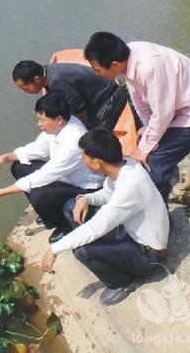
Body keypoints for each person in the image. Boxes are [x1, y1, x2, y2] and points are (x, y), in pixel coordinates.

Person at [83, 32, 190, 201]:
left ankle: (158, 217)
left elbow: (163, 113)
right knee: (145, 141)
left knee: (157, 160)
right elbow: (140, 100)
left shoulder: (150, 66)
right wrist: (148, 129)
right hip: (180, 104)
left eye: (97, 70)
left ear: (114, 64)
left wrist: (145, 148)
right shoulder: (129, 55)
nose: (96, 73)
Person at [40, 129, 169, 305]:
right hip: (131, 231)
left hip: (149, 255)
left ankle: (121, 282)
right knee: (72, 206)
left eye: (84, 157)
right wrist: (85, 198)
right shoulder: (125, 165)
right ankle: (104, 255)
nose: (83, 161)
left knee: (82, 251)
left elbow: (96, 227)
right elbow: (108, 194)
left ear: (96, 161)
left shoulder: (129, 187)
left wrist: (54, 249)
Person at [0, 93, 103, 243]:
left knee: (38, 196)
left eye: (42, 119)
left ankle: (64, 224)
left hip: (84, 187)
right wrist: (5, 157)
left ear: (58, 119)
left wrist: (1, 192)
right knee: (19, 167)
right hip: (64, 176)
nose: (39, 124)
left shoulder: (74, 141)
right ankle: (51, 211)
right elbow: (38, 149)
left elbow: (45, 174)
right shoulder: (59, 126)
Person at [12, 60, 128, 131]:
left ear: (36, 79)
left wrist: (80, 131)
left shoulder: (58, 81)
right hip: (96, 94)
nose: (25, 91)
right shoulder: (50, 70)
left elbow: (79, 110)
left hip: (110, 95)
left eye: (25, 88)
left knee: (94, 137)